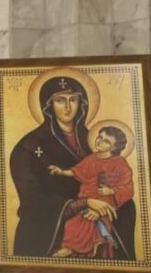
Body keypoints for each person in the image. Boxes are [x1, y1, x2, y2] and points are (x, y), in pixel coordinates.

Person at [10, 73, 136, 259]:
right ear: (49, 105)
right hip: (50, 228)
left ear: (82, 103)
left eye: (73, 100)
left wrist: (107, 202)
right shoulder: (29, 146)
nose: (68, 107)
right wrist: (83, 204)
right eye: (60, 100)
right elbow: (31, 202)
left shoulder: (94, 139)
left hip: (102, 215)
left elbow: (119, 181)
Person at [48, 125, 134, 258]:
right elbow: (77, 171)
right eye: (100, 137)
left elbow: (127, 187)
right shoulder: (91, 159)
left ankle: (91, 244)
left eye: (106, 141)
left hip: (106, 201)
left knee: (91, 221)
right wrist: (61, 171)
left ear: (114, 147)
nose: (100, 141)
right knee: (73, 222)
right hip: (87, 198)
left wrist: (112, 190)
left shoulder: (119, 162)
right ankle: (69, 247)